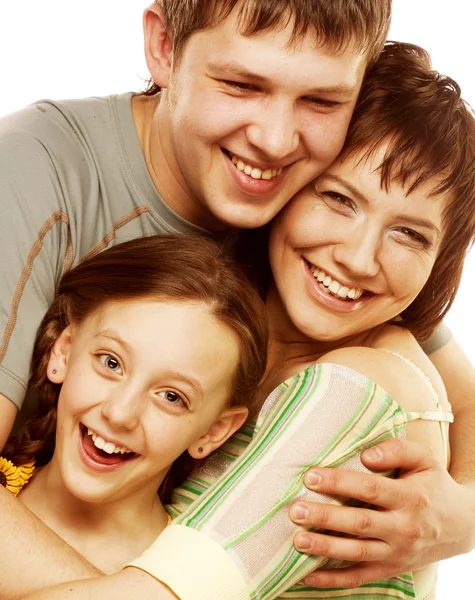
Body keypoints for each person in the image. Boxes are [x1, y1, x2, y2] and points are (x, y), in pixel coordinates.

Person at [0, 1, 474, 596]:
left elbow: (453, 388)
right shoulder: (37, 169)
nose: (275, 141)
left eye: (321, 101)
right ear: (164, 48)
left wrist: (462, 515)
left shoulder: (337, 309)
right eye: (241, 84)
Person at [0, 233, 268, 576]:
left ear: (214, 431)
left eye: (172, 396)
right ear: (65, 351)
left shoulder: (181, 581)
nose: (120, 413)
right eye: (111, 362)